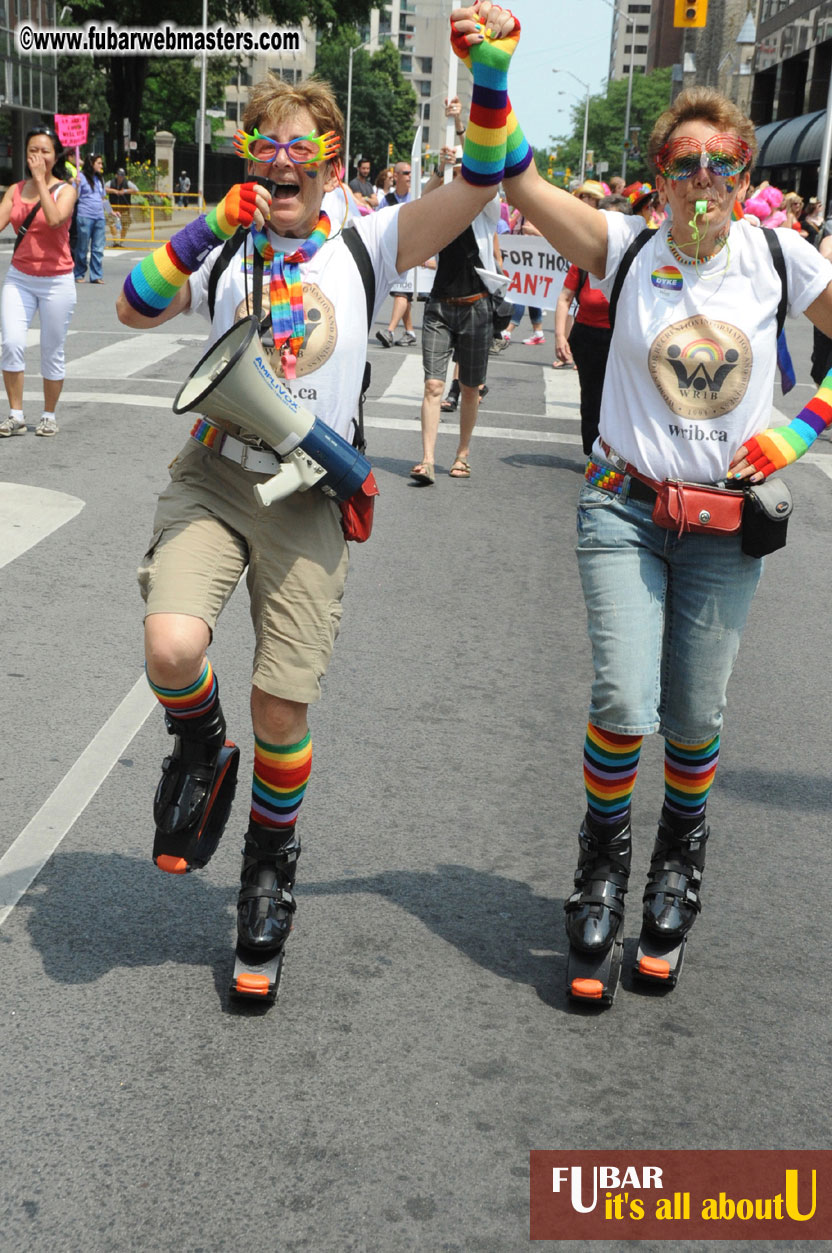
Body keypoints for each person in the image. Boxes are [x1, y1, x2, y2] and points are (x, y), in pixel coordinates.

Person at [115, 2, 524, 989]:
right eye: (266, 148)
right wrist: (208, 223)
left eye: (304, 150)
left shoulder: (367, 241)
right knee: (173, 646)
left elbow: (478, 179)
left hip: (308, 494)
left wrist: (489, 75)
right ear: (249, 159)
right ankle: (199, 745)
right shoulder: (226, 239)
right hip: (216, 472)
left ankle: (268, 868)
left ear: (334, 167)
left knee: (281, 703)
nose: (283, 163)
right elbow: (133, 304)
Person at [500, 86, 832, 1004]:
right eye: (686, 164)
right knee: (622, 698)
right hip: (623, 510)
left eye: (723, 164)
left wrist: (801, 430)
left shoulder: (779, 257)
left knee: (692, 716)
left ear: (745, 176)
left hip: (726, 526)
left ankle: (678, 860)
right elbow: (519, 182)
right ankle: (602, 863)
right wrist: (494, 72)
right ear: (660, 177)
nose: (704, 180)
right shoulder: (625, 247)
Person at [410, 146, 503, 483]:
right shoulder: (443, 204)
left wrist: (465, 138)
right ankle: (427, 459)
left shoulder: (486, 207)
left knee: (470, 387)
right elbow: (422, 200)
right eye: (459, 166)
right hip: (440, 306)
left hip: (476, 306)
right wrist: (441, 168)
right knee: (433, 384)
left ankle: (462, 454)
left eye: (467, 165)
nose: (462, 171)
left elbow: (490, 186)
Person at [0, 125, 77, 437]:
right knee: (11, 343)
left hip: (57, 281)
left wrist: (41, 181)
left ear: (55, 156)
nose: (38, 156)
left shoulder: (66, 190)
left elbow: (56, 219)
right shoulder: (15, 190)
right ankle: (15, 414)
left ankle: (48, 415)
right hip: (19, 278)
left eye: (45, 151)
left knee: (51, 349)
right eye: (33, 150)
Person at [554, 193, 632, 454]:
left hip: (623, 338)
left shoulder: (638, 258)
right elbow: (565, 298)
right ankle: (593, 455)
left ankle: (620, 455)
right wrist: (560, 337)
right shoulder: (585, 258)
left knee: (622, 400)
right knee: (592, 398)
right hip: (588, 338)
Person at [375, 160, 416, 346]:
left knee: (402, 291)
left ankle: (389, 331)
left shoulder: (415, 197)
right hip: (393, 250)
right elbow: (378, 221)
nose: (409, 176)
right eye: (406, 173)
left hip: (411, 250)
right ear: (396, 176)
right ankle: (410, 331)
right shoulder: (387, 200)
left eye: (411, 173)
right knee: (403, 291)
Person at [73, 153, 108, 283]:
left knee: (98, 248)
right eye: (98, 163)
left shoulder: (100, 179)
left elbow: (103, 198)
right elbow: (74, 197)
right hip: (85, 216)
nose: (101, 165)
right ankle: (79, 273)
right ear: (91, 164)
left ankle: (96, 275)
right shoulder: (80, 177)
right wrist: (76, 186)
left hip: (99, 217)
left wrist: (111, 212)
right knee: (82, 247)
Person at [105, 168, 139, 246]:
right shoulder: (111, 182)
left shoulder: (127, 183)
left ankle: (121, 241)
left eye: (122, 175)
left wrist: (125, 191)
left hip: (125, 208)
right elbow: (103, 189)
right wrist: (114, 191)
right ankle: (115, 241)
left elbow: (136, 190)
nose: (121, 177)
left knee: (125, 225)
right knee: (111, 223)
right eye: (119, 175)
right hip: (113, 208)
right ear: (116, 175)